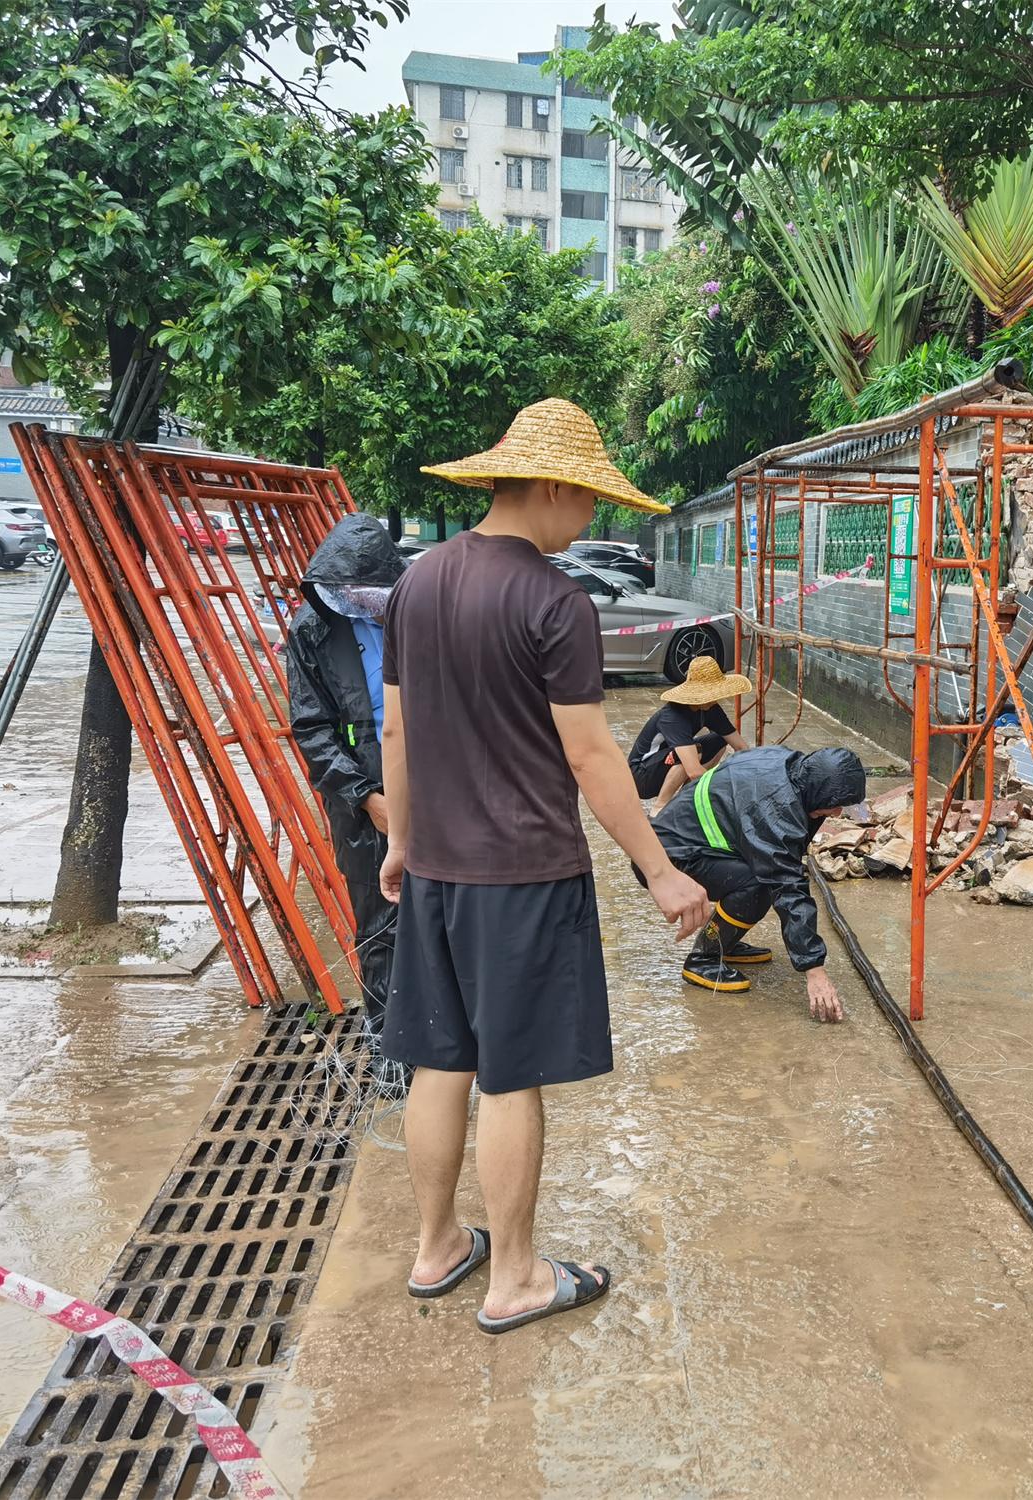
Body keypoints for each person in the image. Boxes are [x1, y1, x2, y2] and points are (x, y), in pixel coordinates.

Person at [379, 398, 711, 1335]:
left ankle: (438, 1246)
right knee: (508, 1075)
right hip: (521, 874)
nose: (593, 524)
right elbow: (594, 758)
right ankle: (515, 1276)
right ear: (555, 487)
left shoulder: (418, 581)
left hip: (438, 869)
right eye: (591, 502)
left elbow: (394, 728)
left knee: (437, 1060)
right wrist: (660, 872)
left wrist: (403, 840)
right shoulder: (555, 601)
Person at [284, 512, 404, 1037]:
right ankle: (391, 1050)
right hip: (362, 795)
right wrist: (365, 798)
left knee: (454, 914)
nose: (361, 599)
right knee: (381, 924)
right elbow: (310, 728)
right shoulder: (312, 628)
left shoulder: (417, 617)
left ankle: (451, 1042)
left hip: (434, 781)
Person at [645, 744, 865, 1021]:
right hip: (670, 860)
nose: (836, 813)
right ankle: (704, 958)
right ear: (818, 789)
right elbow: (788, 885)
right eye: (834, 804)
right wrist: (814, 970)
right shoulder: (776, 808)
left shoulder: (791, 766)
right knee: (760, 885)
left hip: (680, 844)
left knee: (764, 877)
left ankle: (726, 941)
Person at [628, 655, 751, 806]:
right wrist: (725, 791)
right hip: (642, 776)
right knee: (693, 751)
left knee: (718, 740)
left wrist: (751, 774)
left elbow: (741, 747)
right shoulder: (673, 716)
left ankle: (686, 798)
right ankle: (660, 808)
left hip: (668, 759)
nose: (716, 698)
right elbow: (693, 771)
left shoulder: (711, 708)